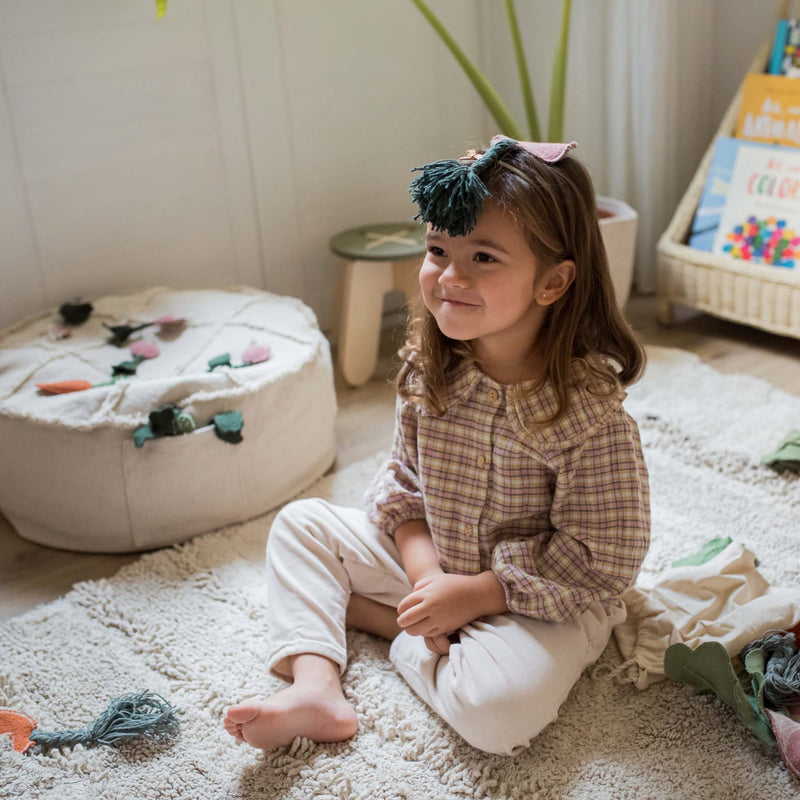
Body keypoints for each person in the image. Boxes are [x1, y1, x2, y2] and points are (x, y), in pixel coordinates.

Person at [223, 136, 651, 756]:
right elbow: (402, 484)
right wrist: (426, 576)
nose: (450, 276)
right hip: (438, 559)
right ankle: (316, 686)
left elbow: (603, 556)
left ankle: (380, 620)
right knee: (300, 524)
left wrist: (480, 595)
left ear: (552, 283)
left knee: (500, 714)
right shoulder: (430, 372)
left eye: (483, 256)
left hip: (539, 598)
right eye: (437, 249)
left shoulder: (589, 418)